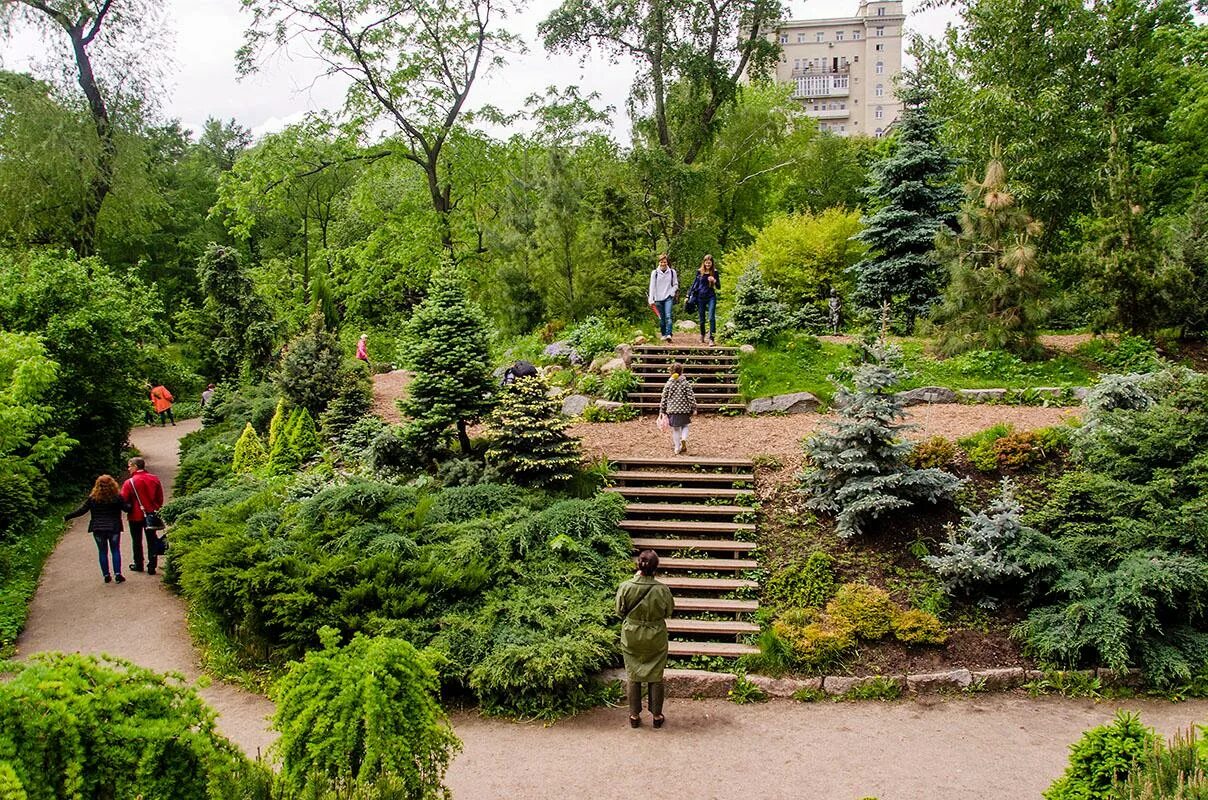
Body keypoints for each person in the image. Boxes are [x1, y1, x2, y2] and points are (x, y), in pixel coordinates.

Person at [616, 549, 675, 729]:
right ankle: (656, 715)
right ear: (656, 567)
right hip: (655, 635)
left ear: (638, 565)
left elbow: (619, 611)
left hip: (632, 635)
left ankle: (634, 716)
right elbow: (669, 611)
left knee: (633, 674)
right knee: (656, 675)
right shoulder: (662, 589)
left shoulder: (626, 586)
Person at [66, 475, 132, 584]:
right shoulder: (117, 497)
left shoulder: (93, 498)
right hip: (113, 527)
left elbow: (82, 511)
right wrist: (131, 503)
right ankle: (118, 574)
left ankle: (106, 575)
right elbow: (127, 509)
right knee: (115, 550)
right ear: (112, 485)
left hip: (98, 528)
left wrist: (68, 516)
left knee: (102, 552)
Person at [121, 457, 165, 576]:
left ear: (135, 466)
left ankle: (138, 564)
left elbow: (123, 499)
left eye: (130, 466)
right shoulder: (154, 479)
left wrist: (128, 508)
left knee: (136, 540)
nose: (128, 468)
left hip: (135, 516)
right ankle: (152, 565)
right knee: (152, 540)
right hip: (151, 514)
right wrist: (155, 507)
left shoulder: (129, 482)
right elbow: (160, 498)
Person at [659, 361, 697, 456]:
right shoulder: (685, 383)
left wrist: (662, 410)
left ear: (671, 372)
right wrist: (694, 407)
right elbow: (690, 396)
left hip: (672, 410)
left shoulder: (668, 384)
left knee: (676, 430)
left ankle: (677, 448)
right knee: (685, 426)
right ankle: (683, 439)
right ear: (681, 372)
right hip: (684, 409)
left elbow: (664, 398)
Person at [688, 254, 721, 346]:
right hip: (700, 297)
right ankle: (702, 334)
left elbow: (719, 286)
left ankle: (711, 338)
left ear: (712, 263)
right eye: (706, 263)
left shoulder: (715, 272)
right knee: (702, 319)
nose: (708, 265)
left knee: (711, 317)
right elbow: (694, 284)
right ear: (704, 263)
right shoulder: (699, 272)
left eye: (709, 263)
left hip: (711, 297)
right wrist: (688, 295)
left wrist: (714, 281)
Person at [647, 253, 679, 343]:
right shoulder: (655, 273)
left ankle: (669, 334)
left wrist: (672, 292)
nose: (663, 264)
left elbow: (676, 284)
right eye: (661, 262)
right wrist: (651, 298)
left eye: (664, 262)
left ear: (667, 262)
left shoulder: (672, 272)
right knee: (662, 318)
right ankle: (664, 334)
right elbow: (652, 286)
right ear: (659, 262)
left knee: (668, 316)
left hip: (668, 297)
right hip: (658, 298)